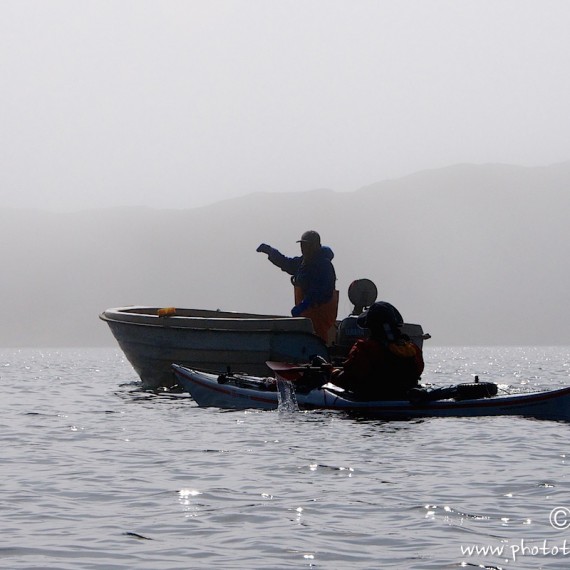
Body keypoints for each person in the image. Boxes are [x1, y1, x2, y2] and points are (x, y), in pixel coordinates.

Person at [330, 301, 424, 400]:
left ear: (371, 327)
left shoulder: (365, 349)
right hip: (405, 398)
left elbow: (349, 379)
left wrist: (330, 372)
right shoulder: (412, 349)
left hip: (372, 400)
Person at [256, 230, 338, 342]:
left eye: (306, 245)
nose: (303, 248)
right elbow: (287, 263)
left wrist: (306, 303)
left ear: (315, 246)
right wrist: (271, 252)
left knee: (317, 340)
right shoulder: (303, 263)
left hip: (319, 313)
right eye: (302, 244)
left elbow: (324, 291)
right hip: (306, 314)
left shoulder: (324, 265)